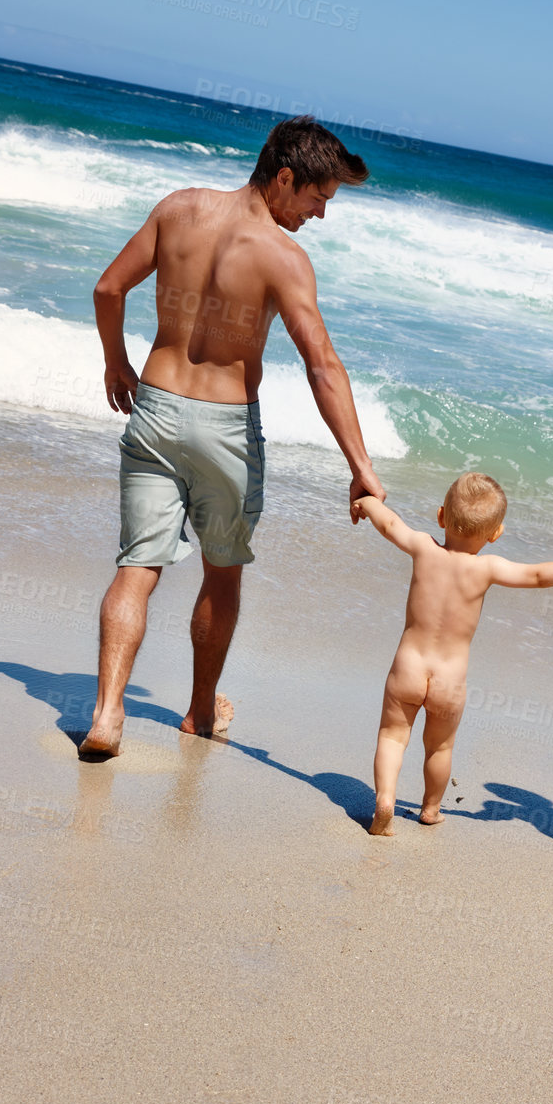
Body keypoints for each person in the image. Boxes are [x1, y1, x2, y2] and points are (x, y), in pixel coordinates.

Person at [78, 117, 387, 760]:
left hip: (155, 413)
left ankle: (108, 714)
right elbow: (322, 364)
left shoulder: (177, 210)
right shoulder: (283, 257)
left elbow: (109, 288)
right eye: (317, 198)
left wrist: (116, 362)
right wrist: (360, 465)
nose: (320, 215)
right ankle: (197, 712)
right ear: (283, 177)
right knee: (222, 572)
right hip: (224, 432)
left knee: (137, 568)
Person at [356, 473, 553, 835]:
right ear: (495, 534)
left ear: (440, 516)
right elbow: (539, 576)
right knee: (439, 748)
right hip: (450, 680)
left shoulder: (422, 546)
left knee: (392, 736)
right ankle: (431, 809)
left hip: (408, 667)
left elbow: (389, 524)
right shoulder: (488, 567)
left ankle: (385, 800)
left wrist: (367, 502)